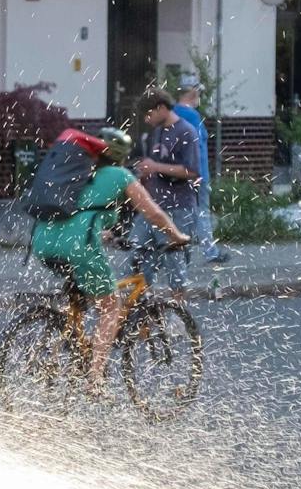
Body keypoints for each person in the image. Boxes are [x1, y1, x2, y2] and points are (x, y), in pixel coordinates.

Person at [31, 127, 189, 389]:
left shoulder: (77, 174)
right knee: (111, 304)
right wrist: (177, 236)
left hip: (43, 241)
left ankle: (66, 343)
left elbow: (78, 213)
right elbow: (154, 214)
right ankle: (94, 378)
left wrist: (105, 234)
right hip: (77, 246)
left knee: (81, 297)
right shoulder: (119, 175)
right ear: (122, 156)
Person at [131, 91, 200, 289]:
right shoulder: (157, 132)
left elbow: (193, 171)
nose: (147, 119)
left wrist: (156, 167)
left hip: (178, 209)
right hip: (152, 208)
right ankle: (140, 311)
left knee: (175, 268)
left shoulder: (186, 131)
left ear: (161, 107)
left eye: (149, 113)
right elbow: (155, 163)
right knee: (135, 259)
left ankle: (179, 317)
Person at [173, 75, 228, 265]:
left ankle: (183, 250)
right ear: (193, 92)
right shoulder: (191, 115)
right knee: (199, 212)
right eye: (199, 93)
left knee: (186, 213)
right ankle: (208, 252)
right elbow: (194, 146)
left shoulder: (174, 113)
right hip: (197, 173)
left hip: (183, 173)